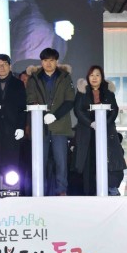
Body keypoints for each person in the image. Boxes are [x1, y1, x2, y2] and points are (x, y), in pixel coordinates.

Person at [26, 48, 75, 196]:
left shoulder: (65, 77)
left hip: (60, 125)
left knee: (61, 161)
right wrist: (43, 114)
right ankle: (39, 190)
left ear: (57, 61)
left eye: (52, 60)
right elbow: (30, 99)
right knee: (39, 160)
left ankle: (61, 191)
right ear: (41, 62)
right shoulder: (34, 78)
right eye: (45, 60)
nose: (48, 63)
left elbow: (70, 100)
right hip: (40, 126)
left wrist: (55, 115)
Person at [73, 65, 127, 196]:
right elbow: (78, 111)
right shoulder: (82, 91)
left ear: (102, 77)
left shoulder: (108, 92)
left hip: (106, 132)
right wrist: (90, 123)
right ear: (88, 77)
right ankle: (89, 193)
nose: (94, 78)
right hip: (87, 132)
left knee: (110, 161)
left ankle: (110, 189)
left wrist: (103, 124)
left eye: (97, 75)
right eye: (92, 75)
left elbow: (114, 110)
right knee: (88, 163)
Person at [0, 54, 27, 197]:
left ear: (10, 66)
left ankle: (11, 190)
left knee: (12, 161)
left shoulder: (18, 84)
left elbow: (22, 108)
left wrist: (20, 126)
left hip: (12, 128)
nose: (1, 67)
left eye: (4, 64)